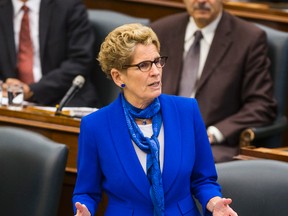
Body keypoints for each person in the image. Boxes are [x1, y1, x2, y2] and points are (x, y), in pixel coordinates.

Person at [72, 23, 238, 216]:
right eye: (144, 65)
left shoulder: (187, 111)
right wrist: (84, 211)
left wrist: (214, 202)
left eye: (158, 61)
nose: (156, 71)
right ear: (118, 77)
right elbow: (86, 193)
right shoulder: (95, 126)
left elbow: (203, 180)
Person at [150, 0, 277, 162]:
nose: (201, 1)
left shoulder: (249, 39)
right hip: (158, 133)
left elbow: (262, 104)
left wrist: (215, 132)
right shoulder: (161, 30)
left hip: (211, 144)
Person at [0, 0, 99, 107]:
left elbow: (80, 61)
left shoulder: (69, 5)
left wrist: (32, 90)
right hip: (9, 100)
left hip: (63, 98)